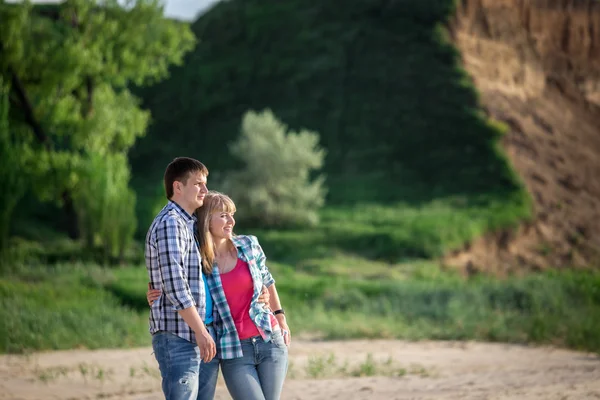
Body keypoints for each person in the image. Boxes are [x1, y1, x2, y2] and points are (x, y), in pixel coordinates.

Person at [149, 190, 290, 400]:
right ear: (206, 219)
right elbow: (174, 279)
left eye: (232, 214)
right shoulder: (198, 260)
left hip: (269, 338)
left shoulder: (249, 245)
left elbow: (267, 280)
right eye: (223, 215)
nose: (231, 221)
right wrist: (156, 294)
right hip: (234, 348)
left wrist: (280, 316)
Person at [145, 157, 217, 400]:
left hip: (194, 333)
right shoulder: (170, 224)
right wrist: (201, 332)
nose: (205, 191)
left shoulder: (188, 224)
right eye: (198, 184)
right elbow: (175, 286)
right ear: (178, 187)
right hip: (179, 335)